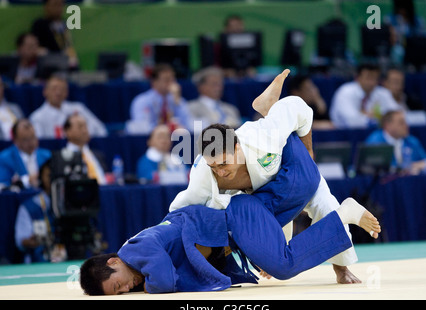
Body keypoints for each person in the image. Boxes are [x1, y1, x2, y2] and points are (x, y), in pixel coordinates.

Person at [79, 128, 380, 295]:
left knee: (284, 264)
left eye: (118, 283)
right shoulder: (136, 257)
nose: (127, 289)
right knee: (285, 225)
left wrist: (145, 286)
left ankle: (343, 215)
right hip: (235, 224)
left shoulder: (138, 251)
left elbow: (165, 280)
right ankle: (330, 220)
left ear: (114, 260)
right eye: (118, 293)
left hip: (236, 216)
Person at [169, 69, 363, 284]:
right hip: (266, 195)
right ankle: (268, 107)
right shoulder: (204, 174)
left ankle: (341, 269)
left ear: (237, 148)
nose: (220, 171)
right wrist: (160, 237)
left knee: (327, 207)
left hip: (292, 166)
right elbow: (182, 209)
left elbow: (299, 108)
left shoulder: (261, 138)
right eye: (213, 166)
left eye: (224, 163)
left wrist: (308, 150)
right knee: (248, 221)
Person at [14, 160, 67, 263]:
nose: (53, 180)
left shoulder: (72, 205)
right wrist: (32, 241)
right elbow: (21, 240)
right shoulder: (30, 207)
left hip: (72, 260)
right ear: (41, 177)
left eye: (56, 175)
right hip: (40, 261)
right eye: (49, 175)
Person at [29, 75, 107, 139]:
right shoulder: (37, 117)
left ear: (67, 93)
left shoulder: (78, 108)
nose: (58, 92)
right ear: (45, 91)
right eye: (54, 89)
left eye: (62, 89)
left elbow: (101, 130)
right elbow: (40, 142)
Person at [329, 63, 401, 128]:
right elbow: (352, 122)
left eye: (375, 78)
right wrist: (379, 118)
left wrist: (365, 115)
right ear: (357, 78)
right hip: (346, 135)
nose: (372, 82)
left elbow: (398, 115)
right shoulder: (345, 92)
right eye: (368, 77)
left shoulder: (383, 93)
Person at [129, 63, 193, 134]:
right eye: (166, 80)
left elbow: (188, 124)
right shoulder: (142, 101)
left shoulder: (178, 99)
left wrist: (177, 101)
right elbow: (141, 127)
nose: (171, 83)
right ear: (154, 82)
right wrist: (164, 130)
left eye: (173, 79)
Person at [365, 110, 426, 174]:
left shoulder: (412, 141)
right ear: (388, 125)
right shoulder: (375, 142)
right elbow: (368, 169)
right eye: (401, 123)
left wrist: (419, 165)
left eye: (406, 122)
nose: (406, 126)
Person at [0, 119, 51, 188]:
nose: (31, 143)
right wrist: (27, 180)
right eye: (25, 139)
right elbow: (3, 186)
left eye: (33, 137)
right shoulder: (4, 158)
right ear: (15, 140)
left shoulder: (47, 156)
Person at [30, 0, 79, 69]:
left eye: (60, 5)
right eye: (55, 4)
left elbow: (67, 46)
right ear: (46, 6)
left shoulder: (64, 24)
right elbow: (35, 47)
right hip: (47, 61)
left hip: (63, 59)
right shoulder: (40, 24)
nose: (58, 8)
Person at [62, 113, 107, 185]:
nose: (84, 131)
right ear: (67, 131)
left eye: (86, 126)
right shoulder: (62, 158)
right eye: (80, 127)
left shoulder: (98, 155)